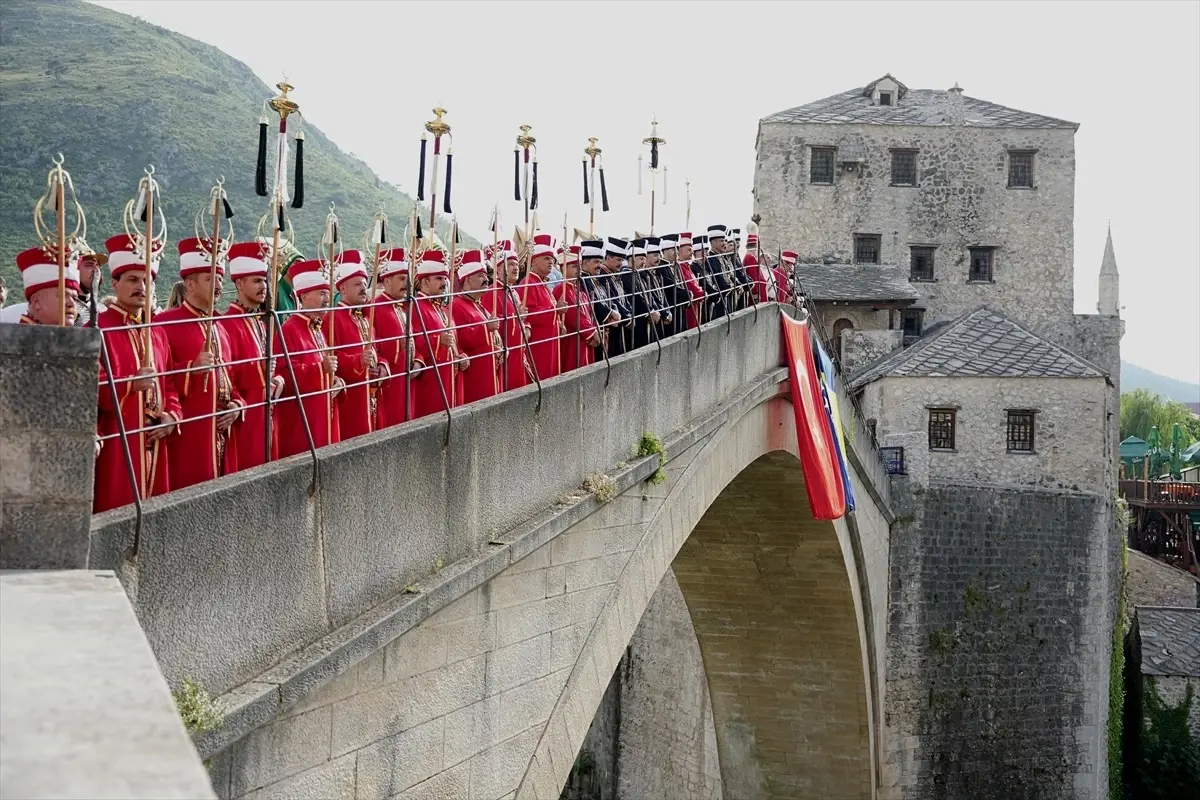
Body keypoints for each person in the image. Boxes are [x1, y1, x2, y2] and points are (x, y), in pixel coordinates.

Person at [93, 234, 180, 513]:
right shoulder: (97, 330)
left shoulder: (157, 331)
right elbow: (87, 391)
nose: (141, 287)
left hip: (156, 441)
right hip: (118, 442)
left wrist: (171, 416)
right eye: (132, 280)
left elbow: (170, 386)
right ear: (114, 283)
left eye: (147, 281)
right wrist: (130, 384)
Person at [155, 238, 244, 488]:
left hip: (224, 432)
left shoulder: (220, 325)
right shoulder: (165, 323)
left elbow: (232, 379)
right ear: (190, 285)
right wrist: (191, 369)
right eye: (210, 279)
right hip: (190, 434)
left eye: (219, 278)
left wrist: (237, 404)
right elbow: (162, 380)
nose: (218, 285)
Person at [221, 240, 283, 470]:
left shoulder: (262, 322)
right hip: (244, 417)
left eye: (265, 280)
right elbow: (228, 375)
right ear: (238, 283)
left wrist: (277, 378)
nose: (264, 286)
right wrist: (262, 372)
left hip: (265, 411)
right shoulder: (227, 323)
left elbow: (274, 367)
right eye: (257, 280)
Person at [275, 259, 342, 457]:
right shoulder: (289, 330)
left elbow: (327, 367)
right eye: (322, 293)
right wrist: (320, 370)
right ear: (304, 295)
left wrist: (336, 380)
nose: (327, 299)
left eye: (328, 293)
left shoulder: (318, 328)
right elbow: (283, 375)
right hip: (301, 420)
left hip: (323, 414)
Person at [324, 250, 384, 440]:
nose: (363, 288)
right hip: (349, 398)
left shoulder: (366, 318)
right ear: (342, 289)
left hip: (370, 394)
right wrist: (358, 360)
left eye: (365, 284)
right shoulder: (331, 319)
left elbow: (378, 351)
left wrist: (382, 365)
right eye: (357, 284)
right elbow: (331, 358)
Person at [410, 249, 464, 417]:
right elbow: (413, 343)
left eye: (445, 278)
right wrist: (437, 341)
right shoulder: (416, 307)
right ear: (425, 281)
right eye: (439, 278)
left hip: (448, 375)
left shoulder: (441, 308)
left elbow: (454, 341)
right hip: (429, 381)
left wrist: (460, 355)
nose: (445, 283)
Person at [451, 249, 500, 403]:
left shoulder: (478, 305)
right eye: (480, 275)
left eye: (486, 275)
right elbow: (462, 338)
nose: (486, 279)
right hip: (474, 372)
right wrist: (486, 328)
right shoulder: (457, 305)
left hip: (487, 367)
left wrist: (497, 348)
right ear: (467, 280)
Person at [371, 247, 412, 427]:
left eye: (407, 278)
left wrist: (416, 358)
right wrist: (398, 346)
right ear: (387, 280)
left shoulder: (402, 307)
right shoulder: (374, 308)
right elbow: (372, 346)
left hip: (405, 377)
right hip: (388, 381)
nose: (407, 283)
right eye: (401, 279)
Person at [483, 241, 529, 392]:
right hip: (506, 355)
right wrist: (517, 318)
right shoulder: (491, 292)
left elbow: (522, 318)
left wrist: (525, 325)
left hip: (518, 352)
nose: (516, 267)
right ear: (498, 269)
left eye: (516, 264)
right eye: (510, 264)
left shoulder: (514, 292)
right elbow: (493, 328)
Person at [517, 233, 564, 381]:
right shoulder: (528, 284)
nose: (551, 262)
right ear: (534, 261)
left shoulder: (542, 284)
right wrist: (555, 310)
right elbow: (528, 315)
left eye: (552, 259)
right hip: (538, 345)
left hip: (549, 342)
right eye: (546, 258)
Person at [554, 244, 600, 373]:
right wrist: (591, 332)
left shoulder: (579, 290)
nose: (578, 269)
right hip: (572, 340)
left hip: (585, 339)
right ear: (563, 268)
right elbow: (574, 316)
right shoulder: (561, 289)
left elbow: (590, 314)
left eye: (579, 266)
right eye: (574, 266)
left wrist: (594, 328)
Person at [13, 245, 81, 325]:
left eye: (75, 298)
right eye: (62, 295)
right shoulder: (18, 337)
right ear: (36, 302)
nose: (71, 303)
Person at [577, 239, 620, 362]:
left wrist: (614, 310)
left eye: (601, 262)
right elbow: (593, 304)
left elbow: (609, 298)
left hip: (605, 330)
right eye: (596, 262)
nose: (600, 266)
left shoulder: (595, 279)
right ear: (585, 262)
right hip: (595, 333)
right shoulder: (583, 280)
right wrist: (610, 314)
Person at [600, 238, 633, 357]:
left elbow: (623, 297)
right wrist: (626, 315)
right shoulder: (602, 275)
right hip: (614, 323)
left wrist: (629, 312)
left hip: (622, 321)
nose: (621, 263)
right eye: (618, 260)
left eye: (622, 260)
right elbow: (612, 299)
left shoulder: (614, 274)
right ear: (608, 258)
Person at [675, 233, 706, 330]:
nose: (692, 252)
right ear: (680, 251)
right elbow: (691, 287)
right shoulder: (680, 267)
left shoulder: (687, 266)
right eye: (689, 250)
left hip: (695, 308)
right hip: (689, 310)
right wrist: (702, 292)